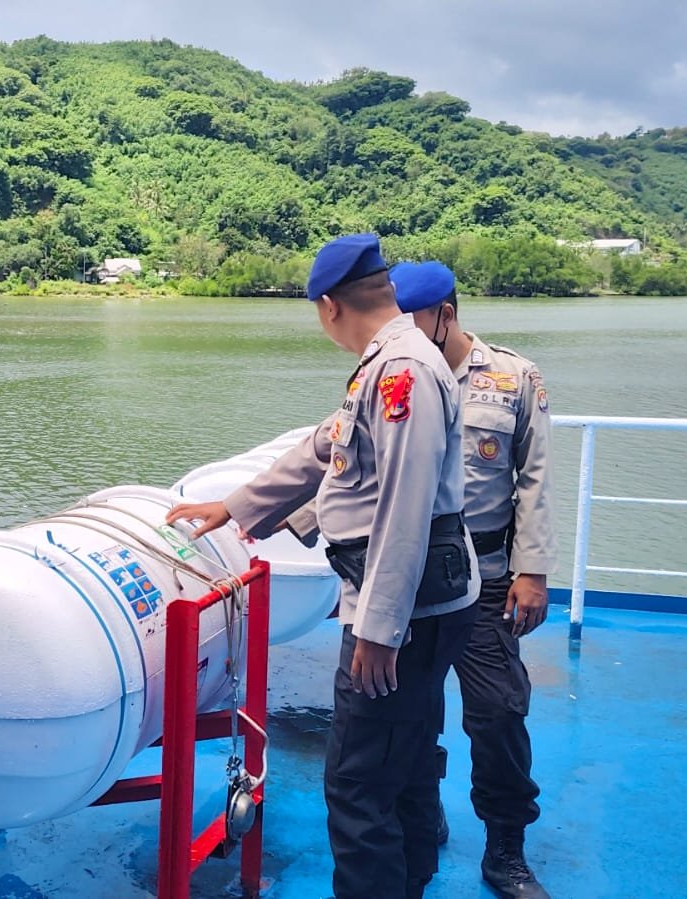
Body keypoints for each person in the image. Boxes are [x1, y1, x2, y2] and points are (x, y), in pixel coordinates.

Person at [167, 233, 480, 898]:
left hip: (405, 608)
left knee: (357, 784)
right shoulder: (389, 362)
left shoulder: (402, 371)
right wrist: (234, 506)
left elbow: (404, 507)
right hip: (419, 599)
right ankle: (412, 879)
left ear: (328, 307)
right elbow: (322, 449)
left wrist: (376, 629)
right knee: (408, 760)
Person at [391, 260, 554, 899]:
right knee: (411, 709)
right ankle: (424, 811)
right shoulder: (394, 375)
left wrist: (532, 570)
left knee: (499, 712)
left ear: (445, 315)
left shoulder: (514, 379)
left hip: (487, 580)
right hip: (415, 580)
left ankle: (505, 851)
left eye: (412, 323)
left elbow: (534, 478)